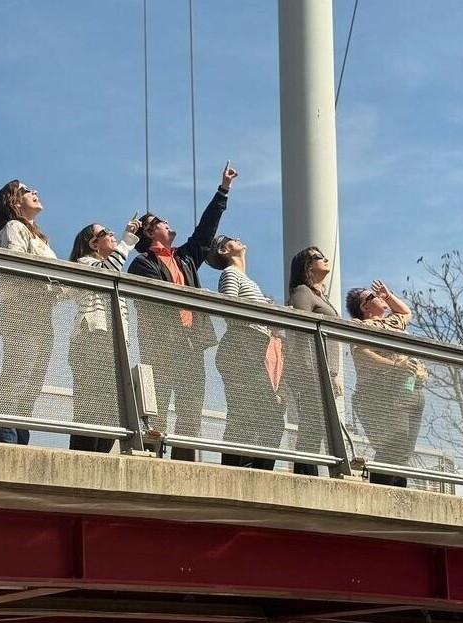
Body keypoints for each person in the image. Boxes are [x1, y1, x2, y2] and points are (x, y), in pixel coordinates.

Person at [127, 162, 238, 461]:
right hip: (162, 346)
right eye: (161, 221)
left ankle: (183, 466)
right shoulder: (143, 264)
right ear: (151, 232)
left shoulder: (184, 259)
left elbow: (205, 232)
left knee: (191, 411)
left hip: (191, 343)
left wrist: (222, 191)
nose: (168, 222)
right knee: (158, 409)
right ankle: (153, 464)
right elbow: (154, 301)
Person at [207, 235, 286, 470]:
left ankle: (247, 469)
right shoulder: (230, 274)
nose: (239, 239)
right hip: (241, 346)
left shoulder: (246, 279)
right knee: (259, 416)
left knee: (254, 416)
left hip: (250, 347)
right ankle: (244, 470)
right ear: (223, 250)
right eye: (231, 239)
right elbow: (230, 308)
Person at [0, 180, 57, 445]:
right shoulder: (14, 227)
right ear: (15, 201)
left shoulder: (36, 236)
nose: (35, 192)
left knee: (31, 383)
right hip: (22, 307)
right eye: (28, 191)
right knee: (18, 377)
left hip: (40, 311)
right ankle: (7, 445)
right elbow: (17, 267)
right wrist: (52, 287)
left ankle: (19, 441)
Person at [67, 218, 140, 453]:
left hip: (114, 343)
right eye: (106, 232)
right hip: (92, 338)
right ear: (93, 243)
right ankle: (83, 459)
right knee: (90, 403)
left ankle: (100, 456)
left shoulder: (110, 267)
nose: (112, 235)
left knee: (113, 406)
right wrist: (128, 240)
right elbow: (107, 271)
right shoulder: (85, 262)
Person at [345, 280, 426, 487]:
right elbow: (362, 355)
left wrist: (388, 296)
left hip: (412, 387)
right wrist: (394, 366)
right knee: (394, 443)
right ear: (364, 307)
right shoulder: (361, 325)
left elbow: (407, 312)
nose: (379, 298)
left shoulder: (392, 322)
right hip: (383, 389)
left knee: (404, 449)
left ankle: (398, 493)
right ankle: (381, 492)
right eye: (373, 296)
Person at [286, 246, 341, 476]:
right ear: (307, 266)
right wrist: (311, 370)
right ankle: (306, 475)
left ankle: (313, 472)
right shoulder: (302, 292)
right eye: (319, 257)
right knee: (313, 425)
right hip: (311, 370)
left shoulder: (321, 297)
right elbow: (300, 333)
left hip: (325, 371)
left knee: (320, 426)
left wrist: (333, 374)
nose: (326, 259)